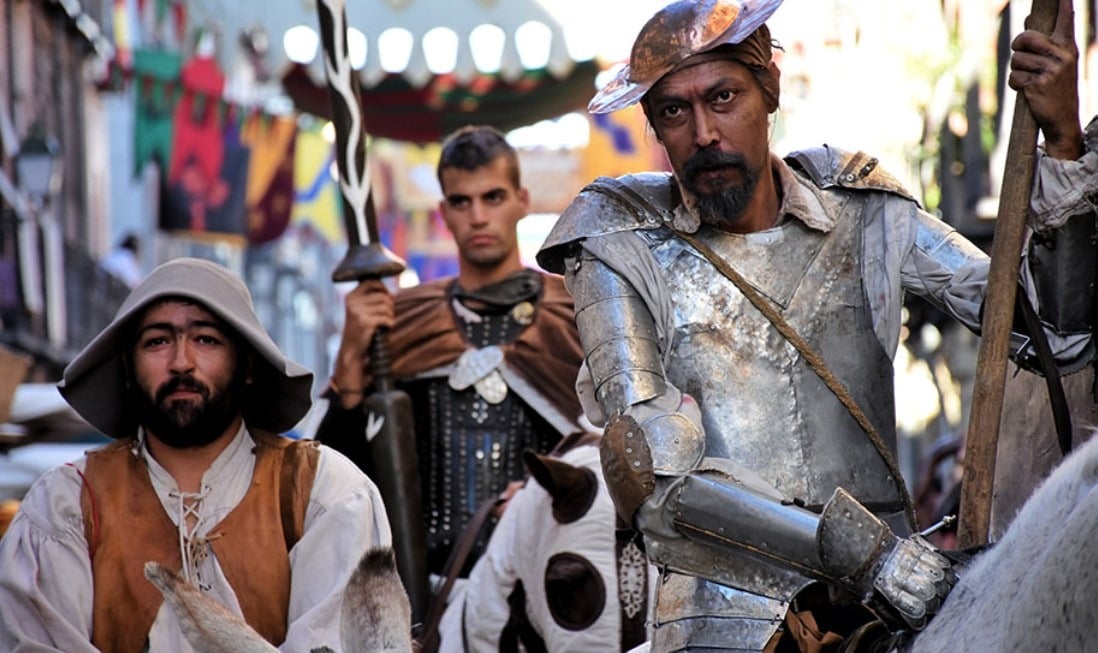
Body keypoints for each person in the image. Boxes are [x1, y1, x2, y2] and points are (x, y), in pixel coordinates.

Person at [535, 0, 1097, 651]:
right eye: (674, 110)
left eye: (723, 97)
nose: (703, 131)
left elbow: (1053, 335)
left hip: (890, 617)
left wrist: (1062, 143)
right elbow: (654, 479)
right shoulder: (616, 235)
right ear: (654, 124)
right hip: (725, 624)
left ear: (769, 87)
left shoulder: (863, 208)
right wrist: (873, 557)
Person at [0, 257, 394, 652]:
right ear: (127, 367)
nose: (181, 362)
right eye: (157, 341)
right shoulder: (65, 505)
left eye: (206, 339)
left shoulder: (323, 493)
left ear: (247, 364)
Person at [314, 126, 585, 590]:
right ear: (444, 212)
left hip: (548, 588)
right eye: (462, 202)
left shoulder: (576, 313)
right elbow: (341, 478)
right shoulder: (402, 321)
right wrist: (351, 356)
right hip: (426, 595)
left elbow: (612, 456)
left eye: (493, 197)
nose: (478, 216)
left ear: (521, 200)